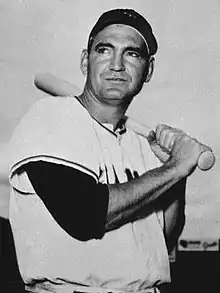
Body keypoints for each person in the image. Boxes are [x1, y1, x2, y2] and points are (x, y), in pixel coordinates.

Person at [8, 8, 209, 293]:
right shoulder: (51, 117)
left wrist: (177, 177)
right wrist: (173, 169)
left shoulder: (144, 145)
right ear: (84, 61)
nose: (116, 64)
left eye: (132, 53)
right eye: (104, 50)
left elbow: (164, 240)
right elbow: (85, 215)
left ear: (148, 70)